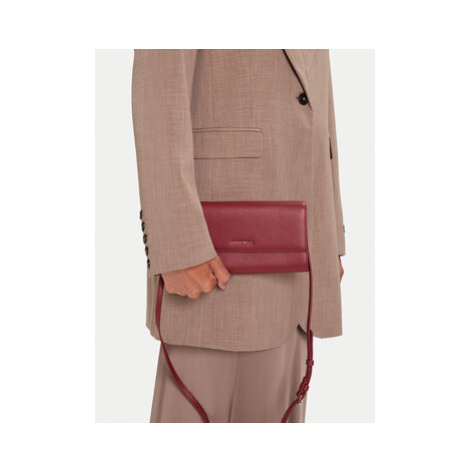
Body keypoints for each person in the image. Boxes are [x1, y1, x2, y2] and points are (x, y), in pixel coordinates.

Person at [131, 49, 345, 423]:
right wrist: (177, 244)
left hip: (298, 250)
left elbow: (315, 89)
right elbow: (159, 85)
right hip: (213, 259)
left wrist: (327, 234)